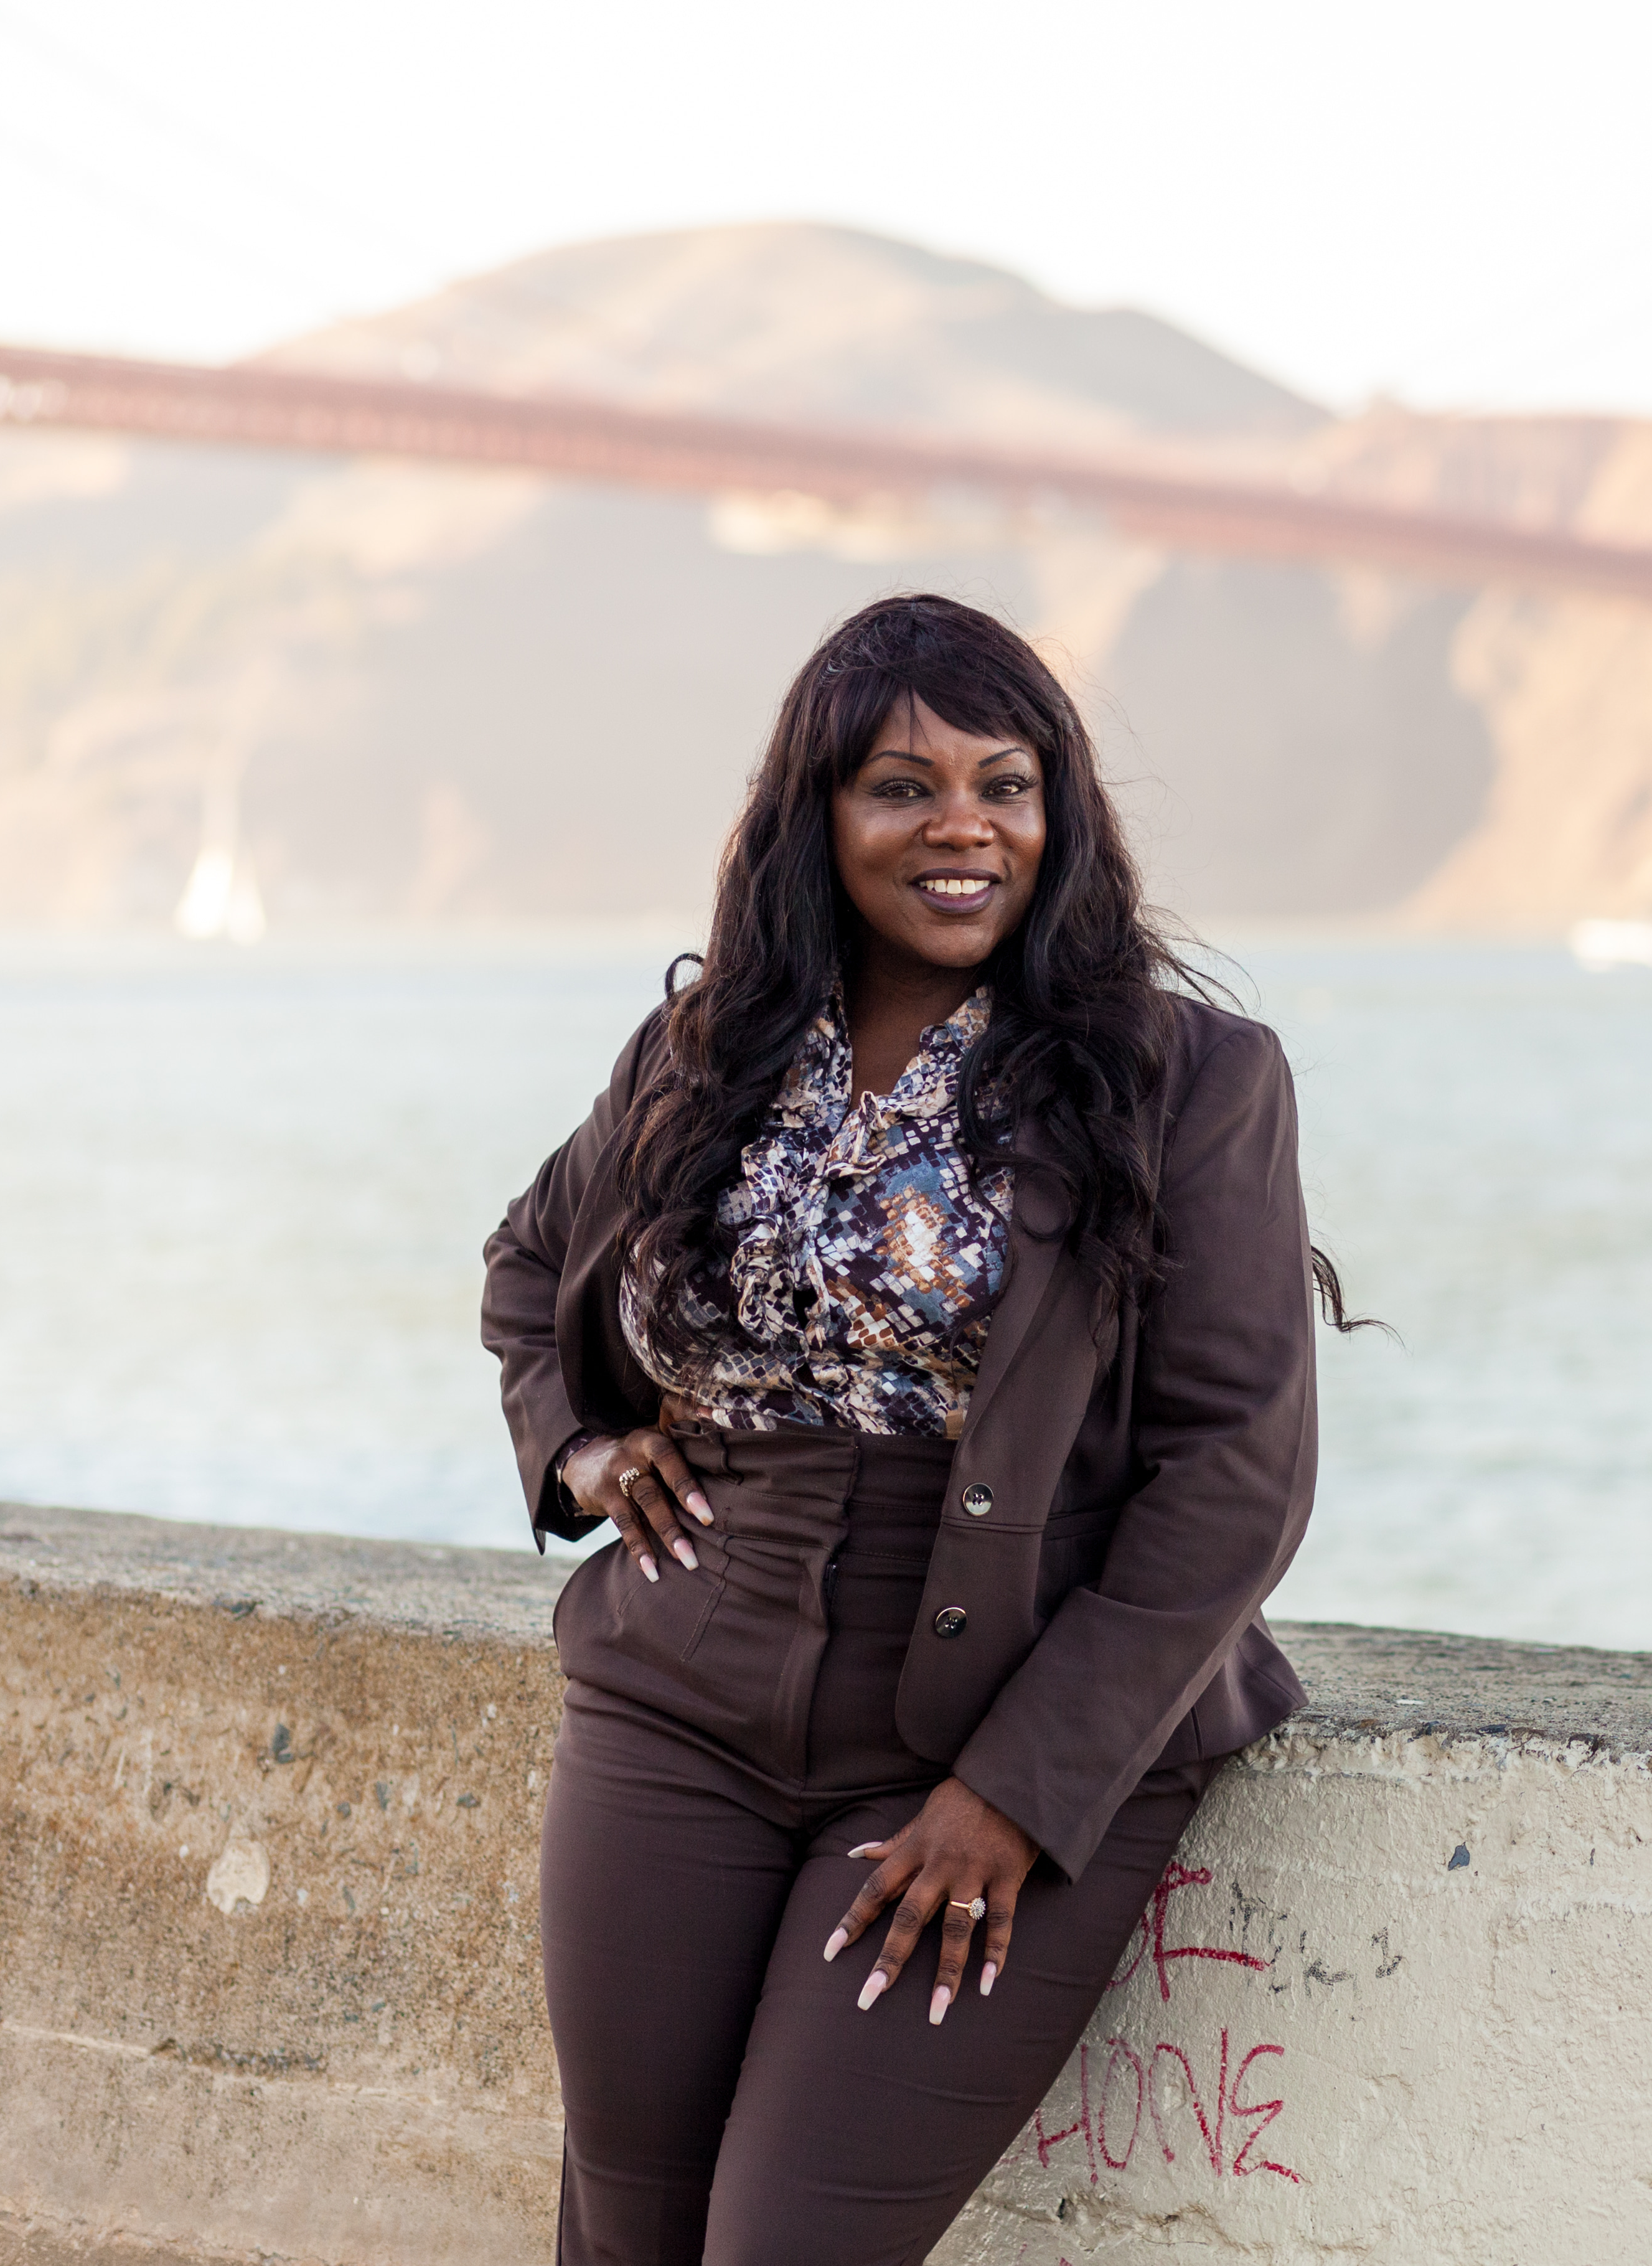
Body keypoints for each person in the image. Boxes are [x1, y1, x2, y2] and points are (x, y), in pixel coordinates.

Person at [481, 592, 1348, 2265]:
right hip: (672, 1712)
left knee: (788, 2245)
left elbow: (1235, 1472)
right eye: (900, 784)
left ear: (1058, 816)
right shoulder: (701, 1055)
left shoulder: (1187, 1078)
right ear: (818, 817)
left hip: (980, 1733)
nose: (962, 825)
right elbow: (533, 1263)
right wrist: (580, 1453)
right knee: (626, 2236)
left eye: (1005, 783)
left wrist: (1017, 1795)